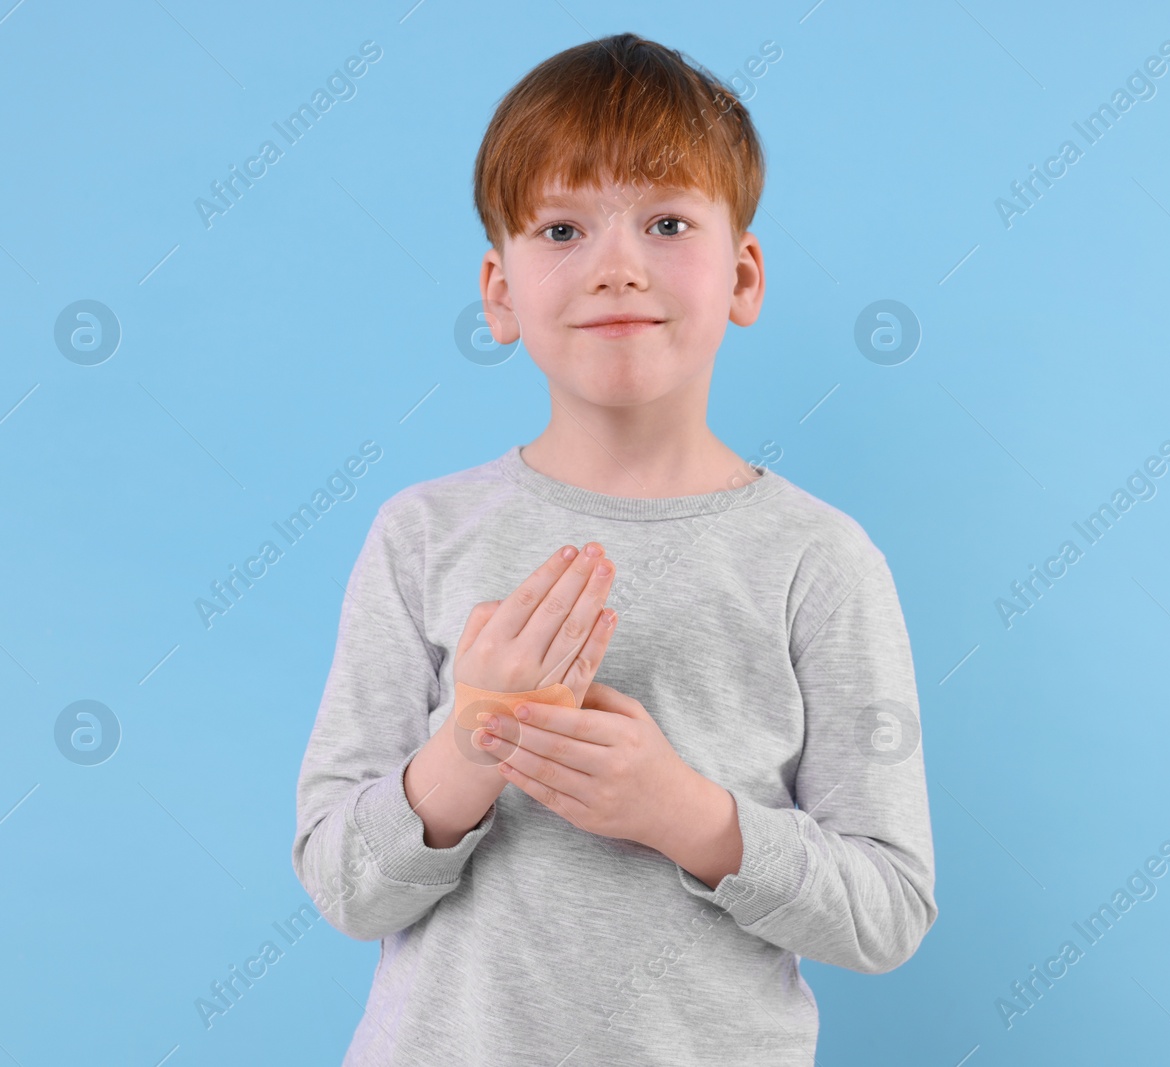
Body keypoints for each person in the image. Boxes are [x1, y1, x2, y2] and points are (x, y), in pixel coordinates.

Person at [292, 31, 936, 1066]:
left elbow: (888, 909)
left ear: (743, 273)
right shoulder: (423, 534)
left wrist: (687, 815)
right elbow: (339, 880)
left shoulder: (820, 559)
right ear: (499, 291)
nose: (617, 266)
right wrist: (474, 742)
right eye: (561, 228)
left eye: (668, 221)